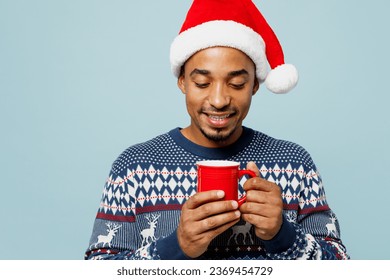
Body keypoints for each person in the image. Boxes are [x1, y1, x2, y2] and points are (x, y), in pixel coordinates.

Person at [85, 0, 349, 260]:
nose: (219, 100)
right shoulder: (134, 167)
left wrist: (284, 235)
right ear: (182, 82)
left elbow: (341, 266)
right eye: (202, 83)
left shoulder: (294, 164)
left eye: (236, 84)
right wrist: (176, 247)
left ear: (255, 85)